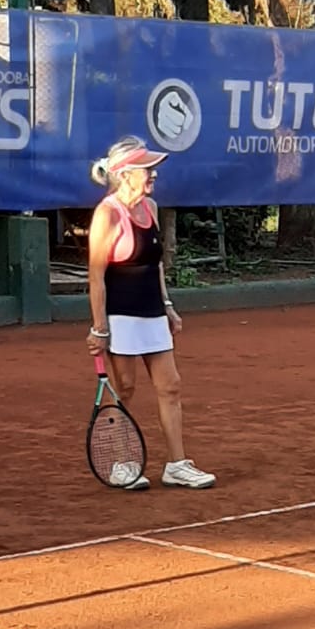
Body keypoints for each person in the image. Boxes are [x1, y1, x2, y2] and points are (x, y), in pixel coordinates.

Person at [85, 136, 215, 489]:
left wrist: (167, 305)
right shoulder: (108, 213)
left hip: (153, 312)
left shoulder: (151, 208)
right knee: (124, 389)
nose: (154, 173)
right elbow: (96, 276)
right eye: (147, 168)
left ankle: (177, 464)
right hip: (120, 315)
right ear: (125, 174)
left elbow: (155, 265)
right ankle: (122, 463)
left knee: (170, 386)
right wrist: (99, 327)